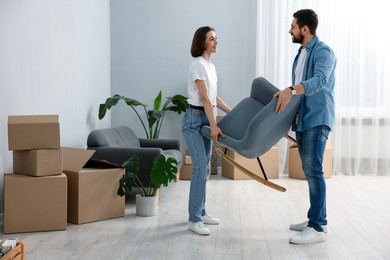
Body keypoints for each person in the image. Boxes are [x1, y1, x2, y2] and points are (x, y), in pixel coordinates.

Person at [273, 9, 337, 244]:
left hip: (317, 118)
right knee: (310, 171)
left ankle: (317, 228)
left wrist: (290, 90)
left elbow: (319, 81)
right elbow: (297, 90)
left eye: (293, 26)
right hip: (303, 119)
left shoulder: (323, 52)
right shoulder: (301, 54)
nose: (290, 30)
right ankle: (316, 219)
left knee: (314, 171)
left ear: (305, 29)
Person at [182, 26, 231, 236]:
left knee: (205, 169)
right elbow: (203, 98)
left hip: (205, 117)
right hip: (194, 120)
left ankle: (201, 212)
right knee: (200, 168)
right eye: (212, 39)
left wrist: (232, 112)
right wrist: (214, 125)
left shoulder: (211, 67)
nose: (216, 41)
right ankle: (193, 219)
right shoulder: (198, 65)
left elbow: (214, 98)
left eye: (216, 38)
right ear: (202, 42)